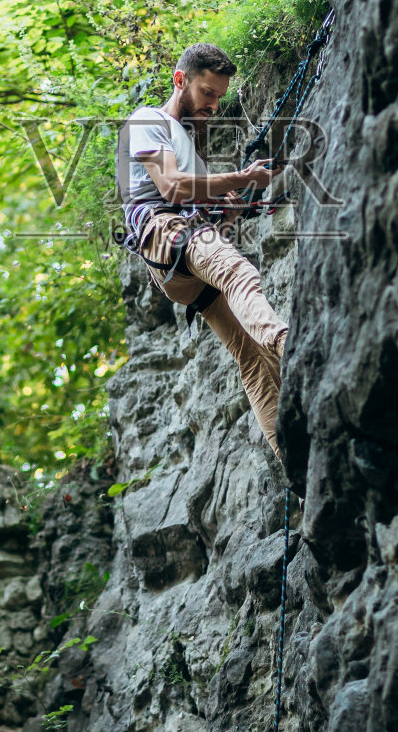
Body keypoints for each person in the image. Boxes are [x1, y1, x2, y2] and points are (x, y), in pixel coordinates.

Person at [116, 43, 287, 457]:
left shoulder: (190, 148)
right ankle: (289, 343)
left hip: (183, 262)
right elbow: (172, 187)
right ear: (180, 81)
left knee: (250, 355)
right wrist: (239, 177)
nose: (213, 104)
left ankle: (293, 461)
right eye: (207, 93)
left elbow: (208, 218)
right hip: (163, 232)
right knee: (239, 272)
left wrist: (228, 209)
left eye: (219, 97)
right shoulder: (148, 119)